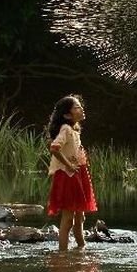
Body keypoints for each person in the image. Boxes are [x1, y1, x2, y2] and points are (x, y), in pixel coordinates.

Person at [46, 94, 98, 251]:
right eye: (77, 107)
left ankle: (81, 248)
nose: (81, 109)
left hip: (78, 174)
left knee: (80, 217)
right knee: (68, 219)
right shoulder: (66, 129)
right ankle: (62, 254)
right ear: (67, 115)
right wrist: (68, 164)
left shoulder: (74, 130)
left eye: (80, 106)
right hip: (67, 175)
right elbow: (54, 148)